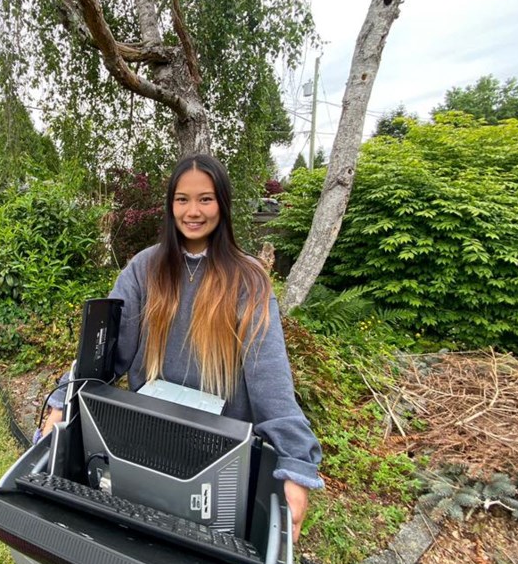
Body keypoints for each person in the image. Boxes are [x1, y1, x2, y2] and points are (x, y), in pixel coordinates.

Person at [40, 154, 324, 542]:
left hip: (221, 460)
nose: (193, 211)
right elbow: (105, 354)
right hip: (142, 444)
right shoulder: (144, 268)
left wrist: (295, 464)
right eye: (182, 199)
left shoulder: (249, 280)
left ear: (222, 204)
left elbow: (270, 377)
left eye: (205, 199)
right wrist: (61, 399)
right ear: (170, 204)